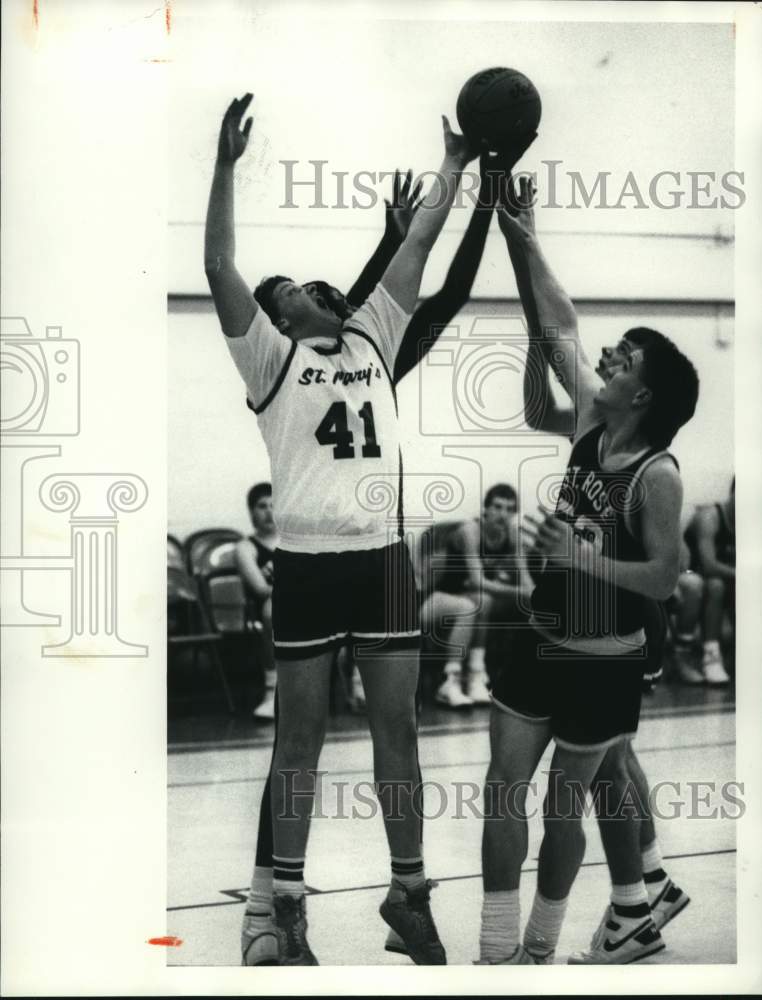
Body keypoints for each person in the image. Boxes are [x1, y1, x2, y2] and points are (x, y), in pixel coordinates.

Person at [205, 92, 480, 966]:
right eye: (289, 291)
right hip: (310, 565)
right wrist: (222, 167)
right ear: (281, 319)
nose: (309, 289)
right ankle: (283, 907)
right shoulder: (270, 360)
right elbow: (218, 265)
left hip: (383, 561)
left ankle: (409, 894)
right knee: (302, 740)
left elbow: (421, 243)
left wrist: (454, 166)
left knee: (399, 731)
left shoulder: (373, 338)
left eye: (308, 284)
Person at [477, 176, 699, 966]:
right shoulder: (590, 422)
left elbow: (666, 580)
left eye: (625, 356)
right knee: (505, 785)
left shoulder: (657, 474)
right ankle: (503, 947)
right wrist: (520, 234)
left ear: (642, 394)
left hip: (608, 650)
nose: (607, 357)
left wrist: (583, 559)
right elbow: (559, 325)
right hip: (542, 632)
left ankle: (567, 934)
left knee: (575, 799)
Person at [419, 484, 533, 708]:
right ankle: (448, 682)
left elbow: (526, 579)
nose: (503, 514)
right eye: (498, 507)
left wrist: (534, 595)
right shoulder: (470, 530)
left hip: (469, 596)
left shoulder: (513, 535)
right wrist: (521, 592)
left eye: (510, 509)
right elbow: (477, 580)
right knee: (470, 605)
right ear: (486, 509)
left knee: (484, 601)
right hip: (435, 597)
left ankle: (476, 677)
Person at [679, 479, 735, 685]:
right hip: (690, 574)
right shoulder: (710, 517)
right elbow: (709, 565)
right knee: (715, 585)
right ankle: (711, 654)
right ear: (733, 494)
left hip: (725, 577)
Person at [235, 482, 279, 719]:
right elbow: (261, 589)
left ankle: (358, 687)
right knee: (274, 609)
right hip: (266, 608)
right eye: (262, 506)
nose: (269, 512)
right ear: (252, 512)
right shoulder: (245, 547)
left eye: (275, 505)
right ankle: (272, 692)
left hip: (306, 603)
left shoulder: (296, 541)